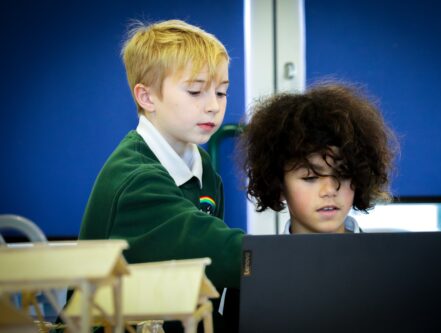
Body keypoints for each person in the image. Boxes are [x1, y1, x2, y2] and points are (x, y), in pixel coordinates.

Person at [78, 19, 244, 331]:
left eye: (221, 93)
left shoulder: (201, 163)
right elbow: (213, 253)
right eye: (196, 91)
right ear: (147, 97)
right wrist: (288, 260)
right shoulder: (137, 178)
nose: (213, 106)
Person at [239, 82, 398, 235]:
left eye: (342, 174)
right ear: (278, 185)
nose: (329, 190)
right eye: (311, 177)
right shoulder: (261, 261)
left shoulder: (388, 260)